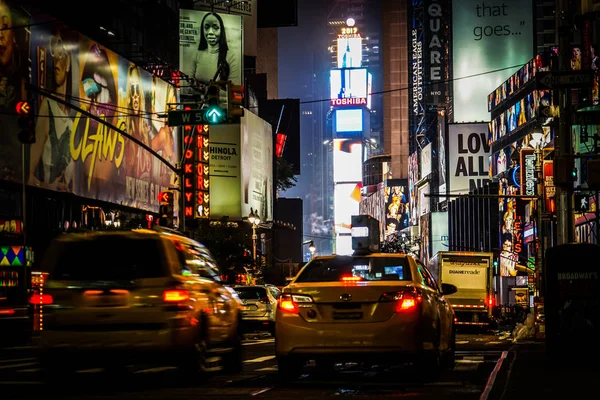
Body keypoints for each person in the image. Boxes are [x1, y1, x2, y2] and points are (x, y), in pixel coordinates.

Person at [29, 24, 75, 191]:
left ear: (68, 62)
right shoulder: (47, 107)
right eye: (54, 53)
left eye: (61, 52)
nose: (57, 60)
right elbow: (28, 177)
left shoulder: (71, 120)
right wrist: (47, 186)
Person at [191, 12, 239, 86]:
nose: (210, 32)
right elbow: (187, 85)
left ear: (221, 30)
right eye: (206, 27)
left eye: (215, 27)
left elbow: (233, 88)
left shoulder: (231, 57)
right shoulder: (196, 55)